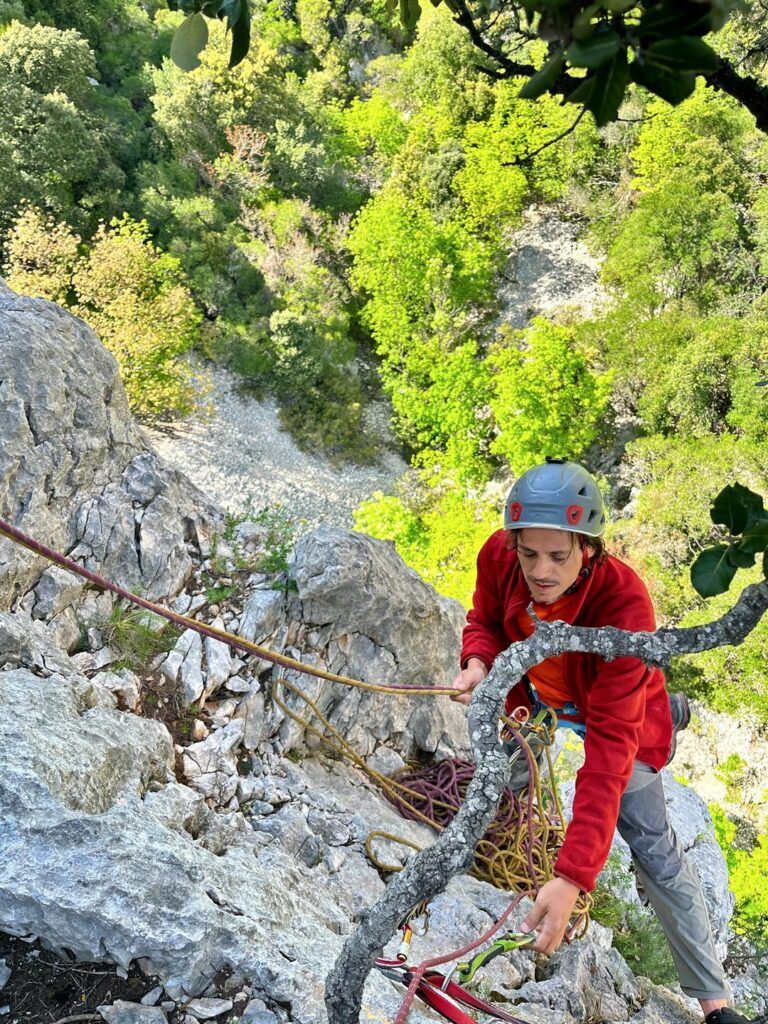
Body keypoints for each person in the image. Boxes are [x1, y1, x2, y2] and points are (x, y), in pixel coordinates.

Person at [451, 458, 762, 1024]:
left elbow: (610, 751)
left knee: (653, 846)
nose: (540, 571)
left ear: (588, 549)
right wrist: (478, 663)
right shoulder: (500, 556)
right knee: (501, 775)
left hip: (614, 715)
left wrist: (572, 876)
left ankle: (716, 1004)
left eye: (558, 556)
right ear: (514, 542)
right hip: (541, 694)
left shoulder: (625, 606)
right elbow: (487, 620)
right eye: (529, 554)